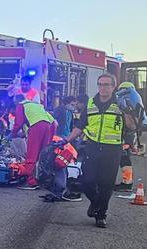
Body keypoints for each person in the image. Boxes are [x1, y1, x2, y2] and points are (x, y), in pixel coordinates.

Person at [63, 73, 130, 228]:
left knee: (106, 184)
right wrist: (66, 140)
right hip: (92, 146)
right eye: (100, 84)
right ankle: (95, 203)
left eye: (106, 84)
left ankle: (101, 215)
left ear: (113, 87)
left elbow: (131, 126)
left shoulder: (120, 104)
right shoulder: (91, 103)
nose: (103, 88)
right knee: (87, 181)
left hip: (112, 149)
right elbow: (81, 125)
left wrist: (127, 110)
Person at [12, 95, 57, 190]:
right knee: (42, 156)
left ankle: (31, 182)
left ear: (17, 101)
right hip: (49, 127)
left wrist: (13, 133)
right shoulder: (37, 105)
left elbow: (18, 123)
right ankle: (41, 180)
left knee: (31, 154)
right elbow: (54, 122)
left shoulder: (21, 105)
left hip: (37, 126)